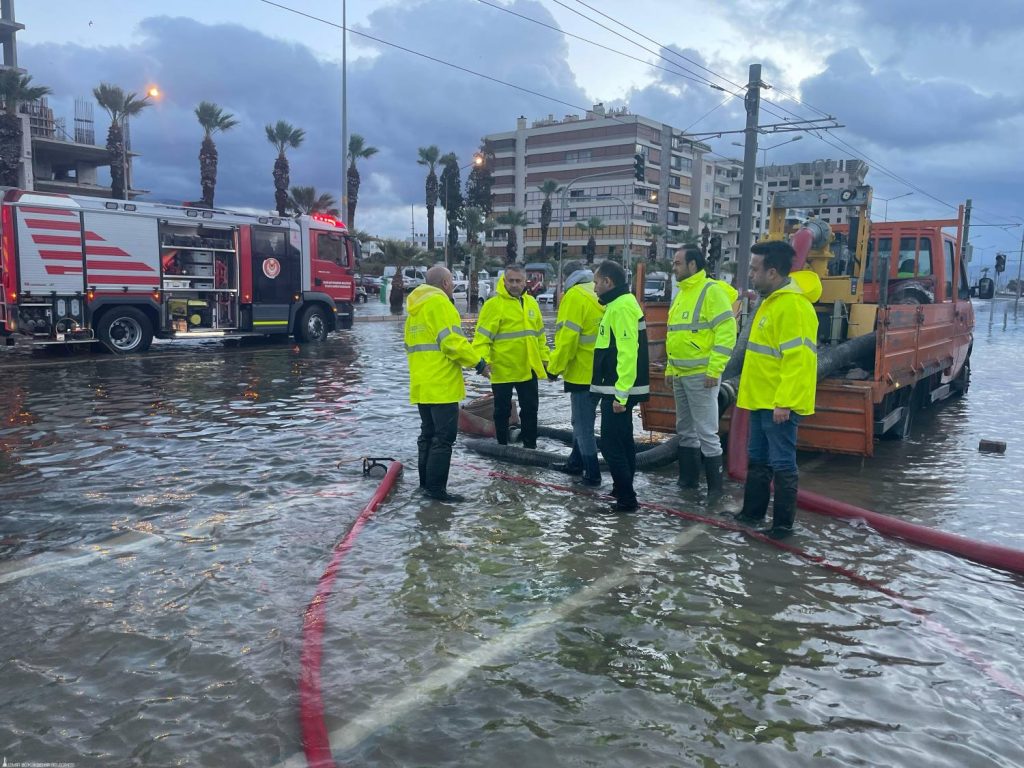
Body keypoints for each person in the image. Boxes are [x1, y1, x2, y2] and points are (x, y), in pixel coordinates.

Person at [734, 240, 821, 539]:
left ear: (772, 272)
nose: (750, 275)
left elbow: (799, 361)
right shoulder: (771, 302)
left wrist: (785, 402)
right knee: (757, 457)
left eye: (754, 269)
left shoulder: (793, 307)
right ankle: (752, 514)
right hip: (760, 399)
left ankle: (782, 527)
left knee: (782, 462)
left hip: (777, 403)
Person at [405, 265, 489, 503]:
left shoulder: (415, 309)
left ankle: (425, 487)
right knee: (443, 439)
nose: (452, 287)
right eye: (451, 283)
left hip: (421, 384)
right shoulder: (441, 304)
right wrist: (480, 364)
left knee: (427, 435)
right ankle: (436, 491)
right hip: (442, 384)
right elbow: (453, 342)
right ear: (444, 284)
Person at [665, 245, 737, 494]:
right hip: (681, 375)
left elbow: (727, 332)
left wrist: (714, 370)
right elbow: (675, 335)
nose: (673, 267)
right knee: (685, 431)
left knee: (707, 432)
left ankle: (715, 492)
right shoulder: (682, 293)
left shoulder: (710, 291)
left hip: (701, 375)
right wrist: (669, 369)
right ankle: (688, 483)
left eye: (677, 263)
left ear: (692, 265)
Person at [591, 260, 649, 512]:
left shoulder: (621, 307)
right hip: (617, 388)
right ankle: (621, 488)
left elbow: (628, 352)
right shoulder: (619, 304)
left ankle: (627, 499)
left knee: (611, 444)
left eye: (596, 283)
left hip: (618, 389)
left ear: (608, 282)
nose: (594, 288)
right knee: (623, 441)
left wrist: (621, 395)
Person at [472, 263, 550, 449]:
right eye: (511, 281)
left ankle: (530, 446)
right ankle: (502, 445)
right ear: (504, 281)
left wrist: (545, 358)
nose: (514, 284)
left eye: (518, 281)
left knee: (531, 409)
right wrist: (483, 363)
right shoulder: (493, 305)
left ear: (525, 282)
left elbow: (540, 336)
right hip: (502, 368)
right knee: (501, 411)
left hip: (528, 367)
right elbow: (482, 339)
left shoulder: (532, 303)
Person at [547, 263, 606, 487]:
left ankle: (591, 474)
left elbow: (567, 340)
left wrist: (554, 369)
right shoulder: (598, 291)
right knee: (581, 421)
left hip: (582, 373)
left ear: (567, 277)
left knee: (583, 427)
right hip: (603, 373)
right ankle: (575, 462)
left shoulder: (573, 296)